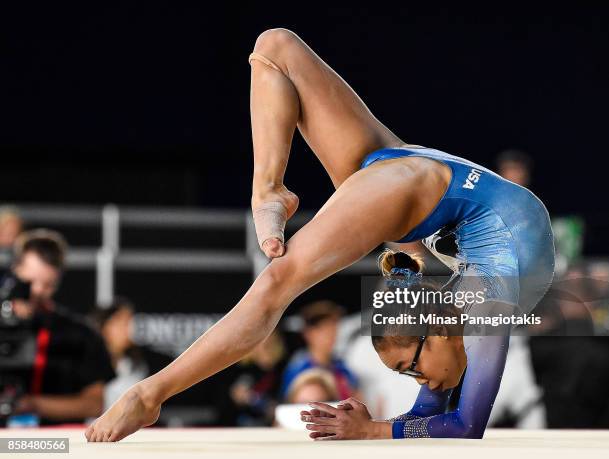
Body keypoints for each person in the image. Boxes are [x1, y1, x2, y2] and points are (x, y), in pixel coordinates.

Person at [85, 28, 554, 442]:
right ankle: (150, 394)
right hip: (414, 189)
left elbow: (435, 413)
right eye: (411, 372)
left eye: (407, 372)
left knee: (276, 48)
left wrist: (373, 427)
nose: (422, 384)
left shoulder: (452, 323)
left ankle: (270, 188)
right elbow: (466, 427)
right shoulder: (487, 309)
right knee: (275, 284)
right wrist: (375, 430)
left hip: (418, 175)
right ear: (437, 332)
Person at [9, 229, 115, 424]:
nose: (37, 291)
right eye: (29, 281)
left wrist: (32, 404)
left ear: (58, 280)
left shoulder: (81, 334)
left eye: (47, 284)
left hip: (56, 444)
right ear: (15, 270)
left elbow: (94, 403)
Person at [280, 301, 358, 400]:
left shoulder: (342, 368)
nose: (332, 336)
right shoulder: (298, 370)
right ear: (308, 333)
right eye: (325, 330)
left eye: (334, 329)